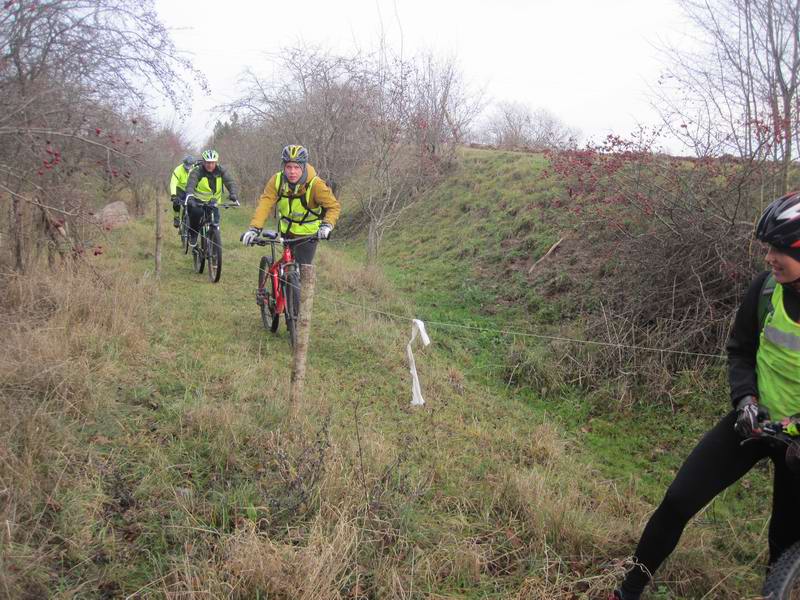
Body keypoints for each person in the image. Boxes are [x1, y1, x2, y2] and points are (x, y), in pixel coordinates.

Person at [611, 190, 800, 600]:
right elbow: (740, 350)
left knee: (783, 544)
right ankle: (626, 592)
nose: (769, 257)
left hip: (798, 444)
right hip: (757, 420)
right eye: (767, 247)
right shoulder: (766, 290)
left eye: (779, 248)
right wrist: (746, 400)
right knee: (678, 500)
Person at [240, 144, 340, 266]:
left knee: (304, 271)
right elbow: (265, 204)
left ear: (303, 167)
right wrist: (254, 229)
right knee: (286, 267)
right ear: (284, 166)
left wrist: (327, 225)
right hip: (286, 232)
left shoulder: (315, 184)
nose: (292, 172)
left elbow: (333, 207)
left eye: (296, 167)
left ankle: (298, 283)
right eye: (288, 167)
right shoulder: (277, 180)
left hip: (308, 236)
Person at [184, 149, 239, 246]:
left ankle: (214, 246)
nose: (210, 165)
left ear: (216, 162)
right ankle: (193, 234)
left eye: (213, 163)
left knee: (215, 222)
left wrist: (233, 193)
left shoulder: (221, 170)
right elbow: (191, 184)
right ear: (204, 162)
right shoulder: (197, 171)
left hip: (214, 202)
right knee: (197, 214)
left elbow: (230, 182)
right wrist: (190, 195)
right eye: (208, 163)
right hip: (198, 200)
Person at [169, 155, 195, 228]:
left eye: (189, 166)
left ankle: (190, 221)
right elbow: (173, 183)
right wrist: (173, 195)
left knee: (192, 205)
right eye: (186, 166)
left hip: (191, 190)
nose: (187, 168)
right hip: (180, 189)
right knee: (176, 203)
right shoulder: (178, 170)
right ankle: (176, 217)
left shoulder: (195, 169)